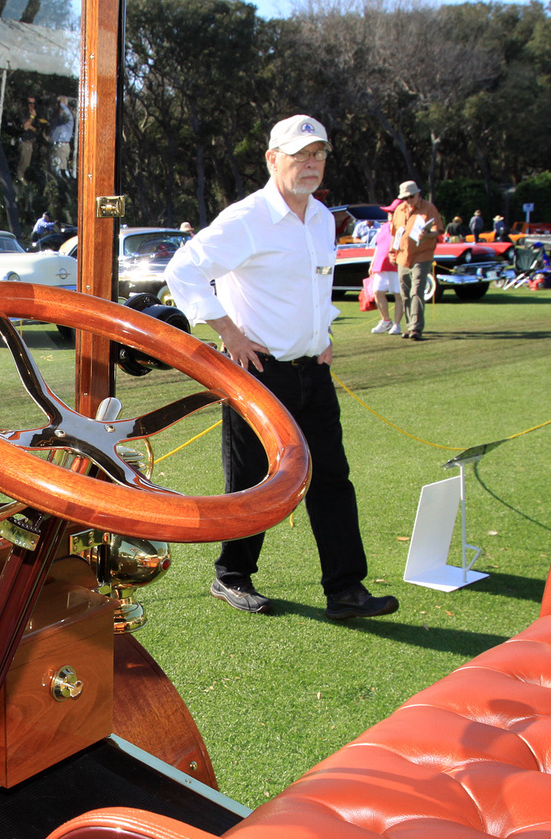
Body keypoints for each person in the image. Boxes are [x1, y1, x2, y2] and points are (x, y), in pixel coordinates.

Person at [164, 114, 398, 622]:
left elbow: (314, 288)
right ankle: (231, 577)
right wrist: (228, 332)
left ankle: (346, 590)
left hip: (313, 370)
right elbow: (182, 270)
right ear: (273, 159)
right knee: (252, 482)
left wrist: (325, 334)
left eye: (318, 154)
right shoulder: (247, 218)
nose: (310, 164)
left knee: (332, 478)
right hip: (259, 373)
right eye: (299, 155)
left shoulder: (318, 217)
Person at [389, 180, 442, 341]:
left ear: (418, 194)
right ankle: (409, 324)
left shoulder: (429, 208)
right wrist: (392, 252)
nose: (408, 200)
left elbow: (437, 230)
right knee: (405, 293)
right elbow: (395, 234)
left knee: (417, 290)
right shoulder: (399, 209)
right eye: (405, 198)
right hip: (402, 257)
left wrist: (428, 235)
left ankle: (416, 328)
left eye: (411, 197)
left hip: (422, 255)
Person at [368, 202, 403, 336]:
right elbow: (378, 246)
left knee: (398, 295)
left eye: (392, 212)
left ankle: (397, 324)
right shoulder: (384, 227)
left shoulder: (402, 228)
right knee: (377, 292)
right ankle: (386, 321)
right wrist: (372, 263)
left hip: (396, 265)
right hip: (381, 264)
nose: (390, 215)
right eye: (389, 212)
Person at [16, 97, 46, 182]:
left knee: (30, 164)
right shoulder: (24, 114)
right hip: (25, 141)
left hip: (33, 142)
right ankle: (20, 180)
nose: (32, 105)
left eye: (33, 103)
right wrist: (32, 117)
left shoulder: (36, 115)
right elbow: (25, 127)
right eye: (30, 103)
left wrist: (31, 125)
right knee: (24, 164)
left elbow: (36, 129)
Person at [48, 96, 74, 177]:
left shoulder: (67, 116)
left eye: (58, 104)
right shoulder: (57, 117)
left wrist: (62, 104)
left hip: (62, 146)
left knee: (61, 171)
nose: (57, 105)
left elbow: (65, 114)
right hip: (55, 146)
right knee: (53, 171)